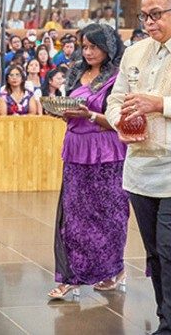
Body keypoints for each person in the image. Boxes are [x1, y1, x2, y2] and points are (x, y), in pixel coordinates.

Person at [106, 0, 171, 335]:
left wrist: (161, 104)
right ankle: (166, 323)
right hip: (141, 173)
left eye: (156, 14)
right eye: (144, 15)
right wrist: (122, 121)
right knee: (156, 256)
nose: (148, 21)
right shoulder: (135, 53)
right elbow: (114, 101)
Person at [49, 23, 129, 300]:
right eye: (85, 46)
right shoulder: (75, 72)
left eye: (94, 46)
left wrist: (90, 116)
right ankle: (71, 276)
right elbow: (71, 106)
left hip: (107, 150)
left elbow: (121, 122)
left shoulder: (118, 77)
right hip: (76, 148)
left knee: (109, 215)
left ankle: (114, 270)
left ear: (109, 47)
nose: (88, 52)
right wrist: (62, 112)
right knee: (74, 215)